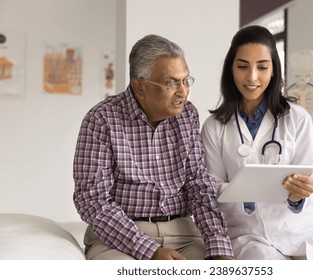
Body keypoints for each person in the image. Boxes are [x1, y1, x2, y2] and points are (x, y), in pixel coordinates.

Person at [73, 34, 234, 260]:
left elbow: (198, 184)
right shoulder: (101, 119)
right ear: (139, 86)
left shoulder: (188, 115)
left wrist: (219, 247)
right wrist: (150, 251)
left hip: (183, 234)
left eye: (186, 80)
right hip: (120, 237)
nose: (183, 91)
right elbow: (92, 200)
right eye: (171, 83)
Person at [201, 25, 313, 260]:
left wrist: (300, 193)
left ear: (273, 69)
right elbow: (210, 189)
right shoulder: (214, 126)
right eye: (242, 66)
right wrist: (246, 190)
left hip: (300, 230)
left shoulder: (297, 118)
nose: (252, 77)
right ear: (231, 70)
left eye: (262, 66)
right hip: (247, 235)